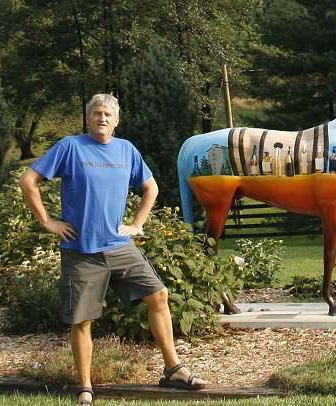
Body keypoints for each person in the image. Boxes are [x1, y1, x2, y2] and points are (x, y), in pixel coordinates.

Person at [19, 94, 207, 405]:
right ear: (88, 118)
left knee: (158, 295)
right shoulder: (70, 146)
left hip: (120, 246)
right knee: (82, 320)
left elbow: (151, 187)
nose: (102, 118)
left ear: (116, 121)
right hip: (81, 250)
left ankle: (173, 369)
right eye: (96, 113)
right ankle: (85, 387)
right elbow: (29, 181)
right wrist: (48, 222)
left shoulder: (126, 150)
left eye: (108, 114)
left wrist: (136, 224)